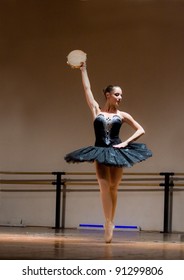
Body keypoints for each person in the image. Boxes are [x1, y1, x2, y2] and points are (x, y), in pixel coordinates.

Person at [65, 62, 152, 243]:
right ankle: (108, 223)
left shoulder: (122, 115)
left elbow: (140, 129)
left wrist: (126, 143)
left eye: (121, 95)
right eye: (117, 94)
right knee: (104, 184)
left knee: (114, 186)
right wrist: (83, 70)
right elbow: (87, 89)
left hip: (117, 151)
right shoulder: (96, 110)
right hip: (100, 151)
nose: (120, 97)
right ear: (108, 95)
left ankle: (111, 221)